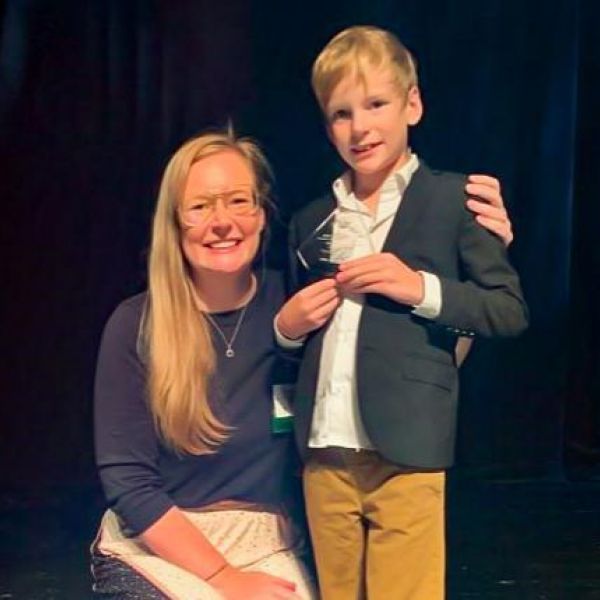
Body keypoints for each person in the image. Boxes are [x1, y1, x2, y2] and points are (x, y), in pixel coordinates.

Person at [275, 26, 528, 600]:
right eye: (341, 113)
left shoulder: (455, 200)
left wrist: (421, 288)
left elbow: (507, 310)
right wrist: (283, 330)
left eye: (376, 104)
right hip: (323, 451)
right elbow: (296, 331)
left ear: (412, 104)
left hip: (407, 450)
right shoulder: (310, 219)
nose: (360, 127)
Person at [91, 131, 316, 600]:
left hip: (265, 543)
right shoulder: (135, 325)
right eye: (200, 207)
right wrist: (225, 581)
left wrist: (471, 256)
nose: (222, 222)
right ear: (174, 222)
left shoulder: (295, 305)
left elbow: (402, 360)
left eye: (238, 201)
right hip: (157, 546)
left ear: (261, 213)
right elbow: (129, 485)